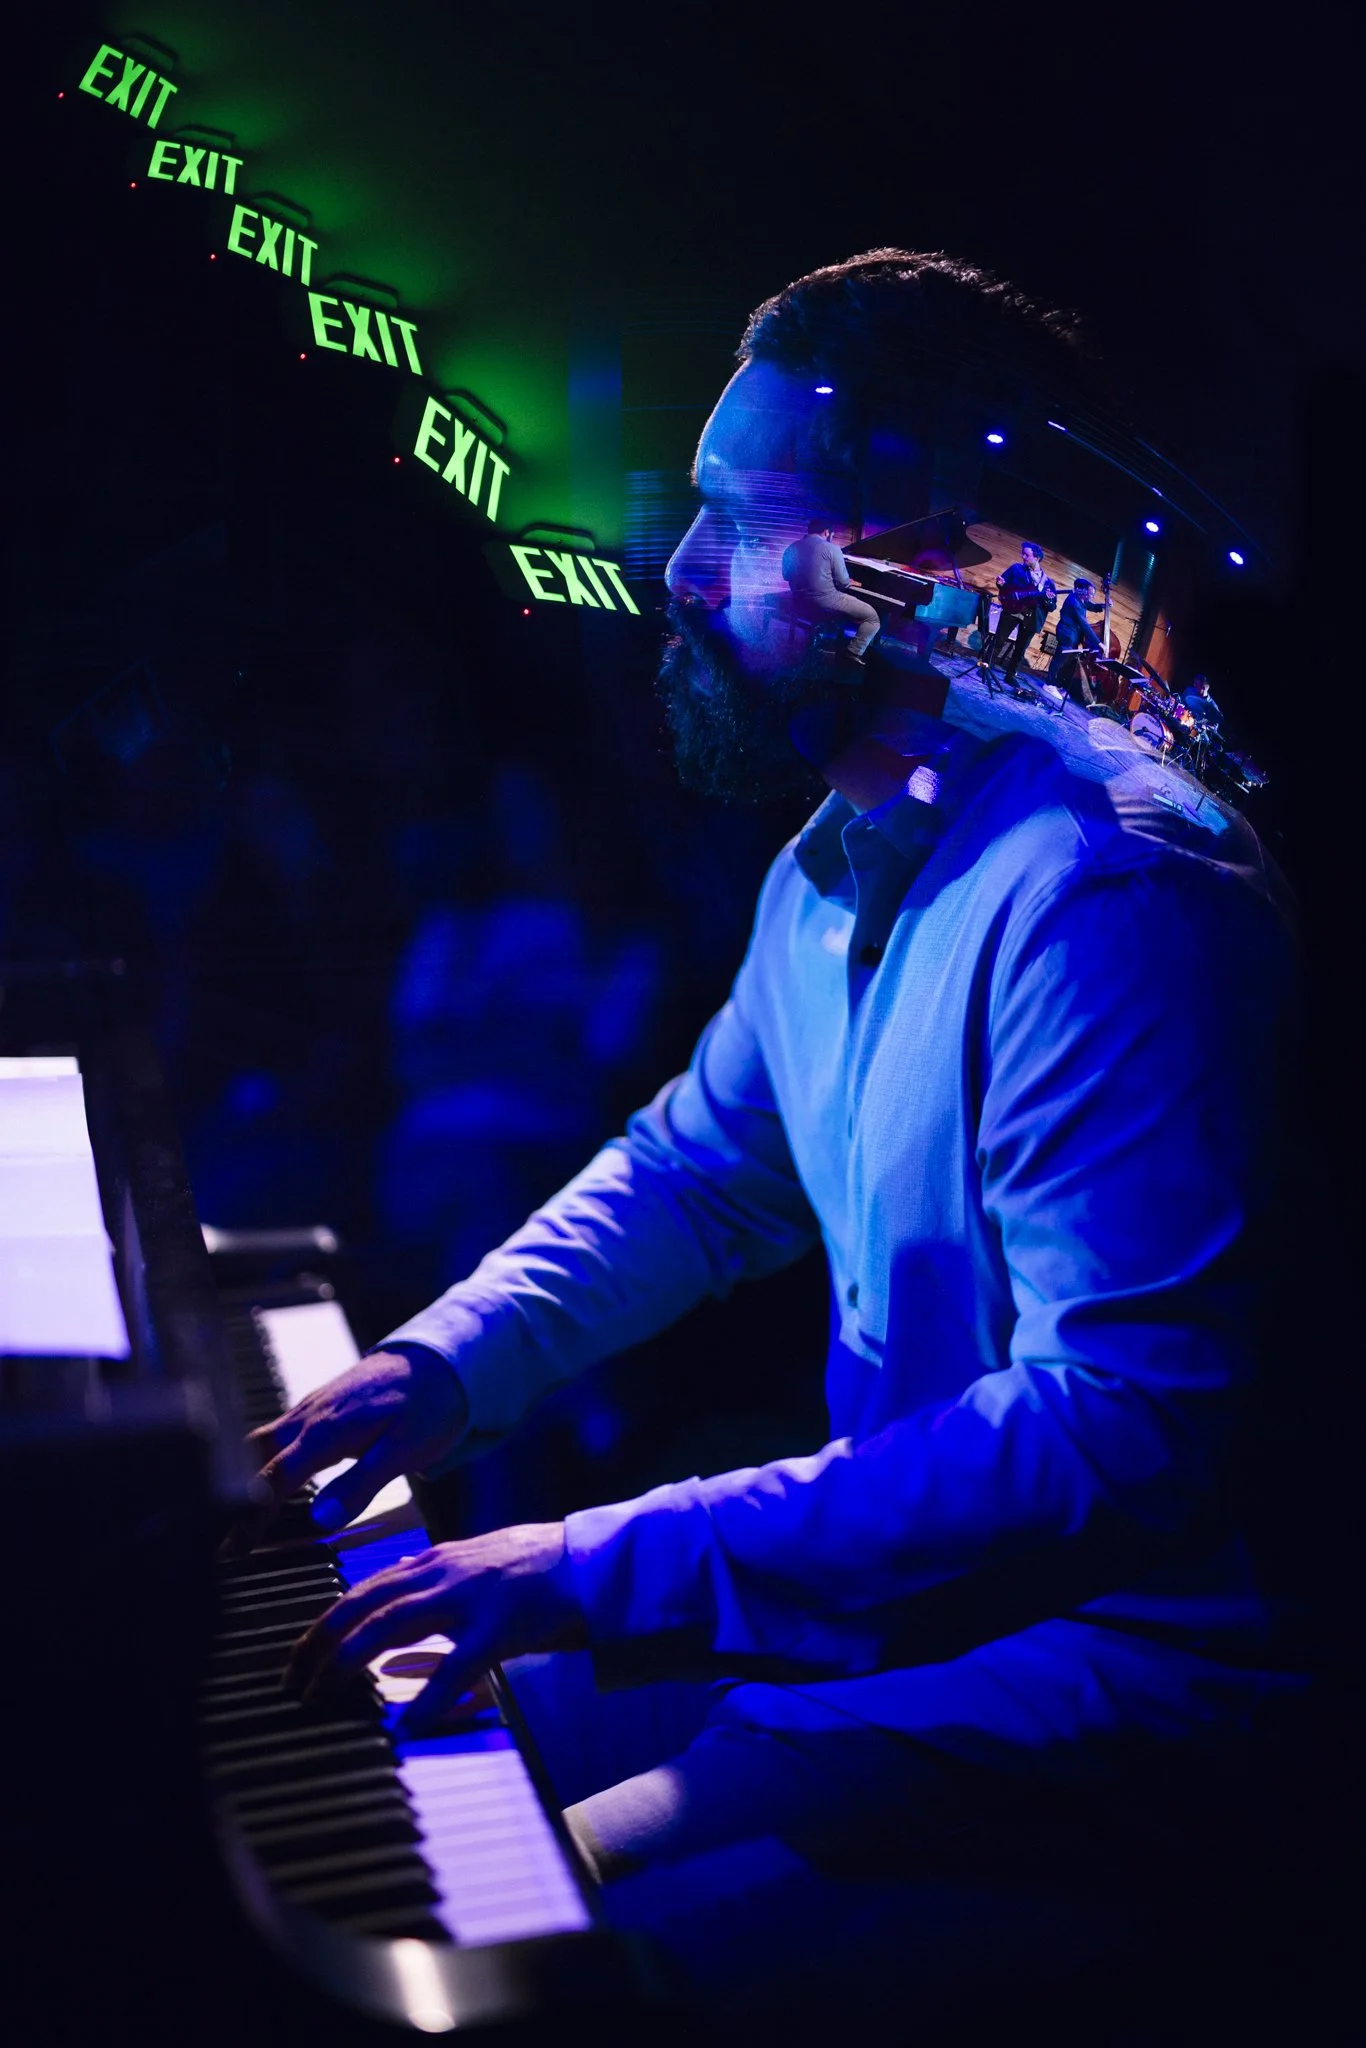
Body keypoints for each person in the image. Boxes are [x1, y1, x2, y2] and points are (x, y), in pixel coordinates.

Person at [247, 252, 1312, 2033]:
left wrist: (582, 1560)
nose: (676, 570)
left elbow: (1121, 1430)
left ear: (917, 564)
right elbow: (696, 1172)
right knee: (398, 1745)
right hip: (932, 1632)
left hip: (1137, 1693)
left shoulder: (1113, 890)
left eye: (742, 521)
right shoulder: (830, 862)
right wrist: (440, 1367)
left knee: (530, 1931)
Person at [780, 516, 882, 664]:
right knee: (872, 618)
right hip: (826, 601)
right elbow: (843, 583)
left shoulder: (791, 548)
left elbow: (786, 576)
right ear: (827, 532)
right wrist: (848, 581)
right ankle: (853, 652)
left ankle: (822, 637)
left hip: (799, 600)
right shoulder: (832, 549)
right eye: (831, 535)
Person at [987, 540, 1056, 694]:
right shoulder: (1016, 568)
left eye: (1027, 555)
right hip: (1012, 611)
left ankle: (1010, 675)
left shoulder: (1048, 583)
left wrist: (1049, 599)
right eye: (1023, 554)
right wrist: (1000, 584)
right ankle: (986, 666)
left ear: (1037, 557)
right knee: (998, 640)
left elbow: (1052, 607)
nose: (1023, 557)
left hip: (1031, 618)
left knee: (1020, 649)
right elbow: (1003, 585)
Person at [1048, 574, 1107, 703]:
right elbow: (1084, 624)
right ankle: (1049, 684)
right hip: (1067, 633)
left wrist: (1103, 605)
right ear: (1082, 591)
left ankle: (1056, 683)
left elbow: (1091, 605)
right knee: (1060, 659)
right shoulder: (1074, 601)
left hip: (1073, 635)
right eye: (1090, 593)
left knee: (1068, 661)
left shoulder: (1081, 600)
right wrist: (1098, 643)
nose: (1092, 596)